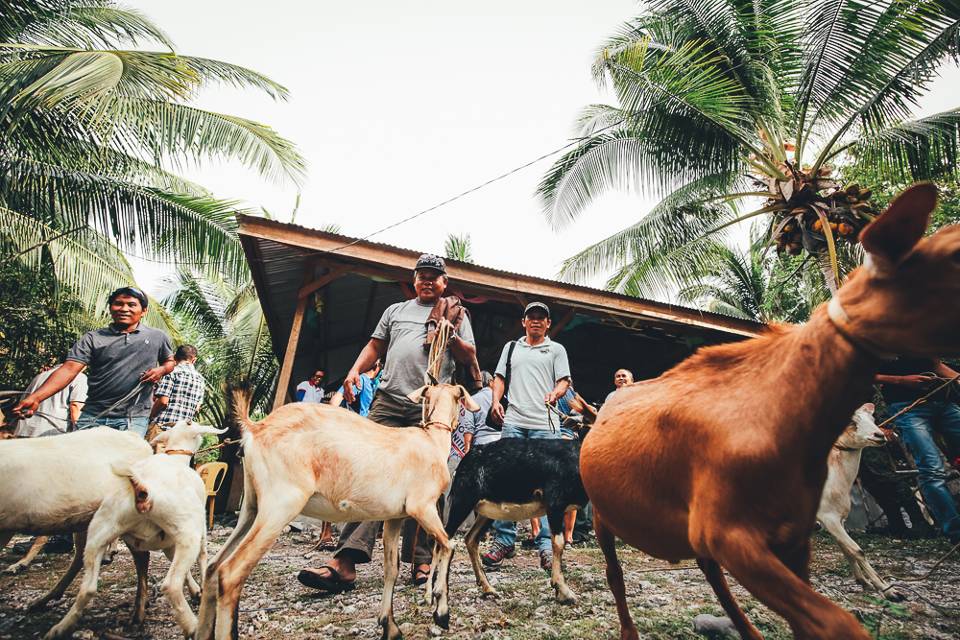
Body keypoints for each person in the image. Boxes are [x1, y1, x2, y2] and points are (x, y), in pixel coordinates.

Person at [297, 253, 479, 593]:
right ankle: (346, 560)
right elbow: (375, 345)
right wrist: (353, 371)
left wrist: (450, 335)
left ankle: (422, 560)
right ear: (413, 281)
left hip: (430, 408)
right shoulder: (395, 312)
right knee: (367, 472)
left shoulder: (457, 314)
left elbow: (470, 357)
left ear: (444, 283)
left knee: (430, 481)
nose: (427, 281)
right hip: (390, 400)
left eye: (434, 276)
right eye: (421, 275)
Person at [13, 287, 174, 437]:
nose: (124, 309)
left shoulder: (157, 337)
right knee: (81, 463)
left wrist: (162, 370)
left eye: (131, 305)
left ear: (143, 311)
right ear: (111, 308)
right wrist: (36, 398)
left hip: (134, 418)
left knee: (124, 466)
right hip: (93, 415)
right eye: (118, 304)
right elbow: (69, 370)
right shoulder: (93, 338)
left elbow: (170, 362)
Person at [483, 301, 571, 572]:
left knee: (549, 485)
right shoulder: (511, 348)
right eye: (531, 317)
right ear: (524, 322)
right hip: (514, 422)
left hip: (545, 423)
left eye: (540, 318)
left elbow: (564, 381)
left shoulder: (556, 349)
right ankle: (504, 541)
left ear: (547, 323)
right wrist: (496, 400)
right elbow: (499, 378)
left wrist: (556, 393)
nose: (535, 321)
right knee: (507, 480)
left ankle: (546, 545)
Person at [876, 357, 960, 543]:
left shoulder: (921, 337)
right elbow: (864, 374)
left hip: (944, 403)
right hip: (907, 407)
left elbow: (935, 364)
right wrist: (902, 380)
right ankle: (955, 533)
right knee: (932, 470)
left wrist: (956, 377)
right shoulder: (877, 338)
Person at [13, 363, 87, 437]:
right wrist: (81, 433)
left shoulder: (40, 376)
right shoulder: (79, 377)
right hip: (50, 434)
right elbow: (75, 407)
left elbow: (23, 402)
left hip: (23, 430)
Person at [149, 345, 205, 433]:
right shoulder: (200, 379)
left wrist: (150, 417)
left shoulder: (172, 373)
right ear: (194, 360)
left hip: (162, 428)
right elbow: (197, 408)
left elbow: (163, 401)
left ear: (175, 357)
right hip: (183, 433)